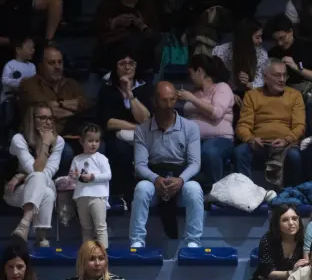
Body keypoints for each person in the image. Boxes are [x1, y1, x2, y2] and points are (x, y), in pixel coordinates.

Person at [129, 81, 204, 249]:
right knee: (141, 188)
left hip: (180, 177)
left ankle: (193, 241)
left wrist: (181, 180)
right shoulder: (142, 129)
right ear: (154, 101)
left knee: (195, 189)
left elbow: (195, 163)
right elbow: (140, 165)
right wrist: (155, 179)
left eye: (172, 100)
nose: (169, 105)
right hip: (155, 178)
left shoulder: (191, 127)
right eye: (164, 100)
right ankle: (137, 241)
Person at [234, 60, 307, 188]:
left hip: (285, 145)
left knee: (294, 156)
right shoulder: (252, 95)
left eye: (285, 75)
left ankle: (290, 195)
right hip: (259, 145)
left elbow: (300, 126)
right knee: (240, 152)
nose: (282, 79)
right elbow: (243, 126)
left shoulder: (294, 95)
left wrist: (286, 140)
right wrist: (251, 139)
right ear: (265, 77)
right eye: (277, 75)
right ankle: (245, 194)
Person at [5, 103, 66, 246]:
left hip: (38, 186)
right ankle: (40, 237)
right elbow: (36, 171)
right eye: (43, 118)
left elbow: (48, 172)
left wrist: (22, 174)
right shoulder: (19, 139)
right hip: (15, 191)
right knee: (42, 183)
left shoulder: (59, 142)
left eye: (50, 118)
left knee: (47, 192)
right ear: (32, 120)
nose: (48, 122)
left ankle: (26, 226)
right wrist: (45, 143)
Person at [96, 48, 153, 199]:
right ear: (115, 67)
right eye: (122, 63)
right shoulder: (107, 89)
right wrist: (136, 127)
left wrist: (130, 94)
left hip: (143, 137)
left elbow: (146, 119)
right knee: (121, 150)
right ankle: (122, 194)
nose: (127, 67)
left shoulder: (145, 88)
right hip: (115, 136)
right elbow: (108, 122)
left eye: (131, 63)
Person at [178, 54, 235, 185]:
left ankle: (215, 191)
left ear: (200, 71)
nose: (190, 77)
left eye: (191, 73)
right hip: (193, 139)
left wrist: (192, 99)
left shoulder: (222, 88)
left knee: (209, 151)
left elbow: (216, 112)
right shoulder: (195, 92)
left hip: (219, 139)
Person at [247, 204, 306, 280]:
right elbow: (268, 272)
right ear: (277, 224)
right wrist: (291, 273)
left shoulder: (304, 240)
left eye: (294, 219)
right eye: (285, 220)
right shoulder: (267, 240)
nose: (291, 223)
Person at [18, 46, 88, 141]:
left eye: (60, 62)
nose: (57, 67)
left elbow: (84, 104)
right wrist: (72, 111)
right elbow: (44, 109)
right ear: (41, 66)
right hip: (40, 139)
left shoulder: (72, 83)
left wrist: (60, 104)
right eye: (51, 63)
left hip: (73, 135)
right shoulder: (29, 84)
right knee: (66, 150)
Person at [92, 0, 161, 68]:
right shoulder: (108, 4)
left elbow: (156, 37)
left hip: (141, 55)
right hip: (112, 52)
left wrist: (142, 26)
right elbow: (96, 29)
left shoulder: (147, 8)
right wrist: (114, 22)